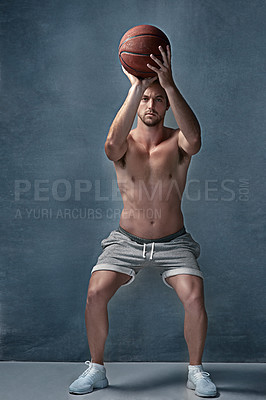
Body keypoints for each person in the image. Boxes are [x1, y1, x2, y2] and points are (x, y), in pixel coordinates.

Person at [69, 45, 217, 397]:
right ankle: (96, 369)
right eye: (146, 100)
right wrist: (136, 86)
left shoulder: (177, 143)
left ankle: (196, 371)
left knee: (195, 297)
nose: (151, 106)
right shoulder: (124, 145)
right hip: (126, 241)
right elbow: (109, 145)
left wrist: (169, 82)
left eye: (158, 100)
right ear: (137, 104)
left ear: (167, 105)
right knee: (94, 293)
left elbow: (195, 139)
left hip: (173, 242)